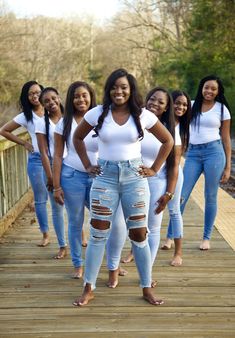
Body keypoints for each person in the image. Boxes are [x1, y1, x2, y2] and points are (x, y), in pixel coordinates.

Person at [72, 68, 174, 306]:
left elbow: (168, 140)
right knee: (98, 234)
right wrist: (87, 164)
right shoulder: (98, 113)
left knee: (139, 234)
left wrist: (155, 169)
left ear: (131, 90)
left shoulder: (143, 115)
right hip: (104, 178)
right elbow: (77, 138)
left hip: (135, 178)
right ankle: (89, 288)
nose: (119, 91)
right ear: (108, 90)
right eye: (114, 87)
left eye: (124, 87)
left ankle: (146, 288)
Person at [180, 75, 231, 250]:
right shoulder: (191, 105)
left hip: (214, 153)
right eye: (206, 87)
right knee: (181, 195)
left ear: (218, 92)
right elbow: (181, 127)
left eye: (213, 89)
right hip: (193, 154)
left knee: (210, 196)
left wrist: (227, 167)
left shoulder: (222, 110)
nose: (209, 91)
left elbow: (225, 139)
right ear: (202, 88)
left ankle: (206, 238)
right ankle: (172, 236)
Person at [52, 81, 97, 278]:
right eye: (76, 96)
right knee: (75, 222)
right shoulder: (64, 123)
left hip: (98, 177)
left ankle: (111, 264)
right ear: (71, 100)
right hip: (72, 177)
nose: (81, 99)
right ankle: (78, 264)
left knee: (104, 220)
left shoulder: (101, 119)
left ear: (91, 96)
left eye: (84, 95)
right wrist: (56, 186)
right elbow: (57, 156)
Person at [0, 80, 52, 247]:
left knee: (67, 196)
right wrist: (24, 143)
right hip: (36, 160)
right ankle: (45, 234)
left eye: (38, 92)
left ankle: (79, 234)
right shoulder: (25, 116)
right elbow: (4, 131)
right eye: (31, 94)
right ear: (26, 97)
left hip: (57, 159)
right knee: (40, 199)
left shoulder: (52, 110)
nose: (35, 96)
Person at [35, 87, 67, 259]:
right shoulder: (41, 123)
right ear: (43, 105)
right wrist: (50, 176)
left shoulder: (69, 118)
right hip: (53, 168)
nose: (51, 103)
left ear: (59, 98)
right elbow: (44, 152)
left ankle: (82, 235)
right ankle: (62, 245)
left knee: (77, 207)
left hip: (72, 167)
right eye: (46, 101)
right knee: (57, 209)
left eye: (54, 98)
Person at [160, 90, 191, 266]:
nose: (181, 107)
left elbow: (177, 160)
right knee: (147, 213)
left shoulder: (184, 127)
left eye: (185, 105)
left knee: (174, 211)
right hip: (155, 173)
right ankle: (134, 251)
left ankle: (178, 253)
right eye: (178, 103)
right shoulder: (159, 122)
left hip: (174, 173)